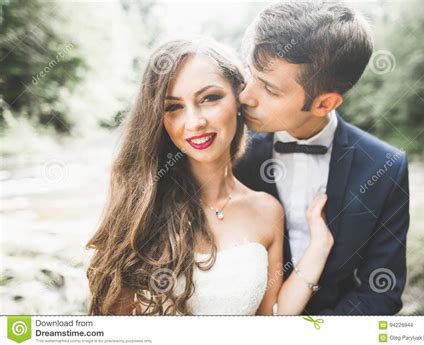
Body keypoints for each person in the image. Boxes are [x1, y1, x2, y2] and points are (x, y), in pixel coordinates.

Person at [86, 38, 334, 315]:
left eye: (209, 98)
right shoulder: (141, 203)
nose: (194, 122)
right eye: (173, 107)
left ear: (240, 96)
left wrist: (318, 249)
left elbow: (268, 321)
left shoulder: (267, 210)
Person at [234, 1, 410, 315]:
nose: (245, 96)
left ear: (324, 103)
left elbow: (380, 292)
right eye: (251, 73)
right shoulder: (232, 149)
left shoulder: (385, 168)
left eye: (270, 90)